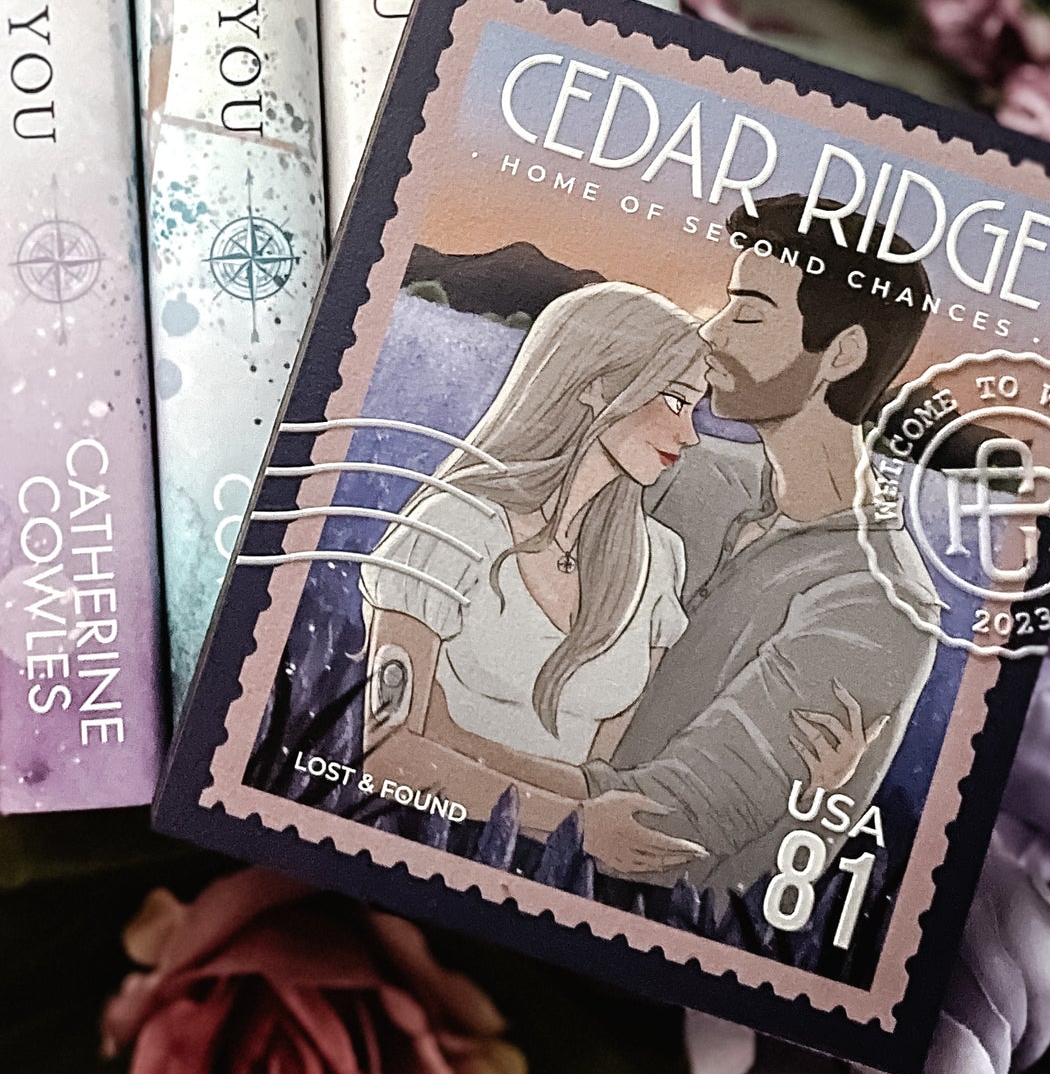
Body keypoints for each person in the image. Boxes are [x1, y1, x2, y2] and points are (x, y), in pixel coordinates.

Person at [359, 281, 873, 876]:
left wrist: (810, 786)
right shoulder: (454, 524)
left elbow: (615, 776)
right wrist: (571, 825)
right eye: (675, 402)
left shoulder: (658, 562)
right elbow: (384, 752)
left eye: (695, 408)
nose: (688, 434)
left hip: (561, 879)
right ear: (598, 384)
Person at [581, 192, 945, 900]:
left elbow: (666, 826)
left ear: (841, 353)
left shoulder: (878, 605)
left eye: (747, 312)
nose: (712, 332)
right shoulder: (687, 468)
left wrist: (438, 759)